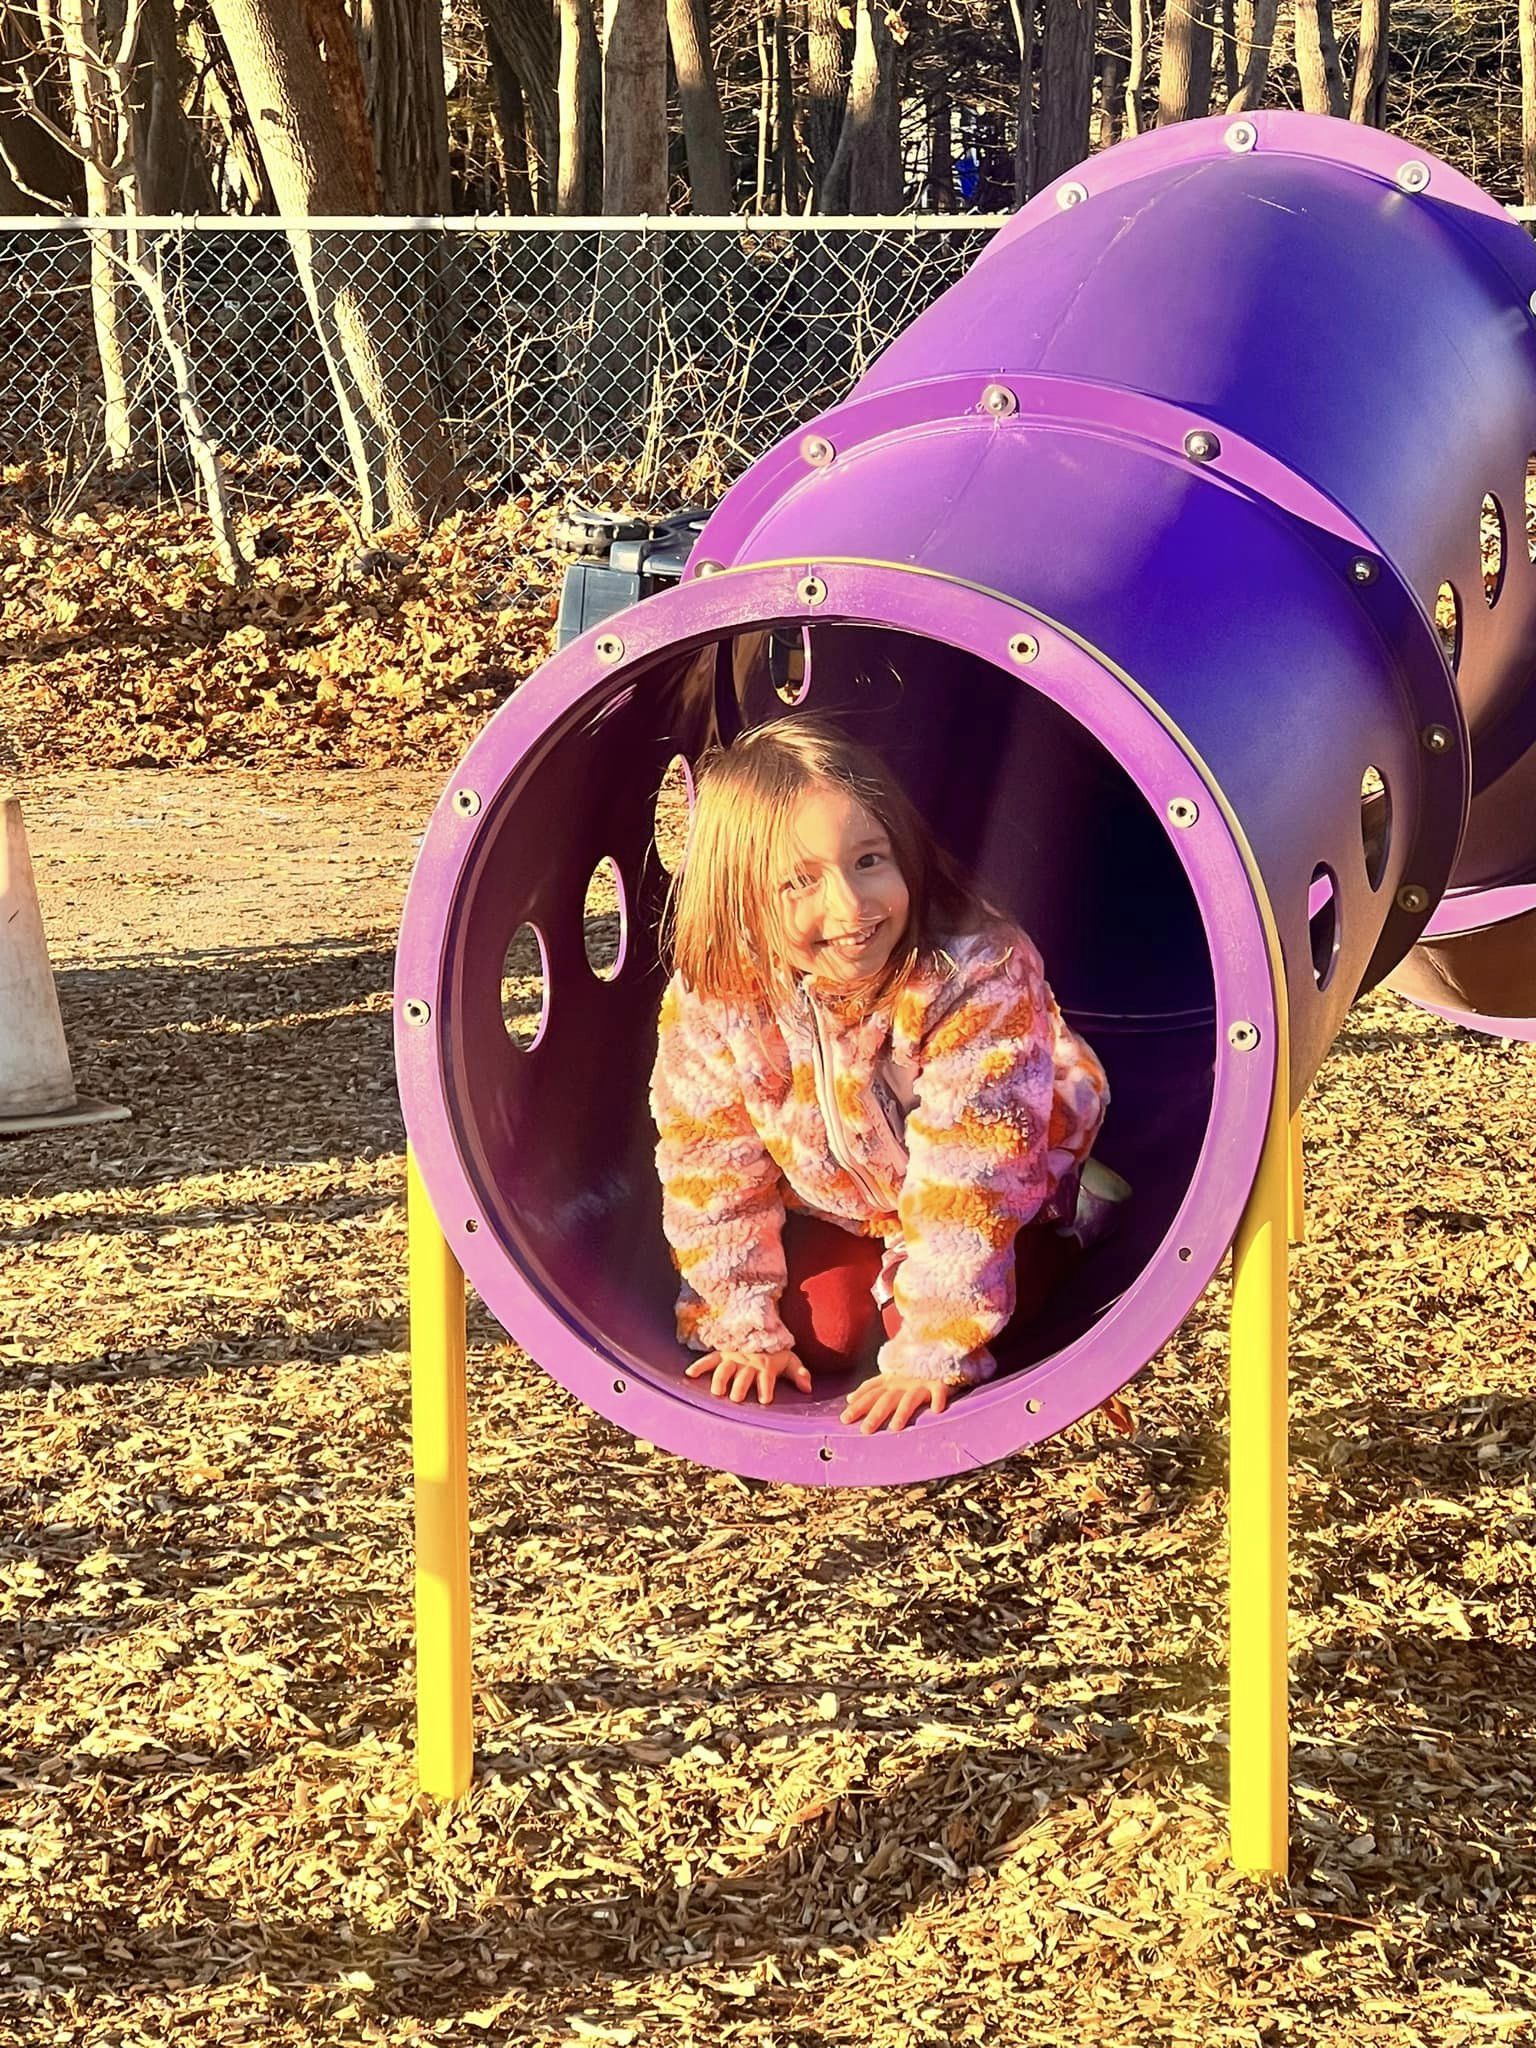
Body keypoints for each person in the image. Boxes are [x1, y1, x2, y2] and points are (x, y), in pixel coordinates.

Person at [649, 714, 1123, 1435]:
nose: (851, 906)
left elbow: (974, 1176)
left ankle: (1077, 1208)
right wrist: (739, 1322)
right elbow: (708, 1160)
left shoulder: (974, 973)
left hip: (1004, 1164)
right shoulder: (719, 994)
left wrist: (935, 1346)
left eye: (869, 860)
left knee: (953, 1319)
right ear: (740, 897)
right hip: (847, 1194)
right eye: (799, 882)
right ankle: (893, 1264)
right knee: (830, 1335)